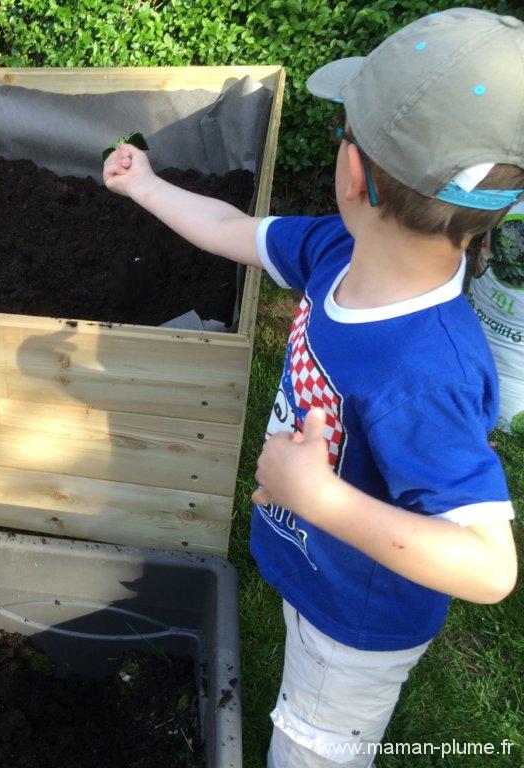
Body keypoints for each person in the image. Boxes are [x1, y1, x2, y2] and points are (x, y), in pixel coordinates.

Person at [104, 8, 521, 766]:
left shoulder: (425, 370)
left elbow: (489, 567)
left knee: (312, 747)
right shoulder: (341, 250)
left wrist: (319, 497)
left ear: (353, 171)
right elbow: (236, 231)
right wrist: (149, 189)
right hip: (318, 558)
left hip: (358, 621)